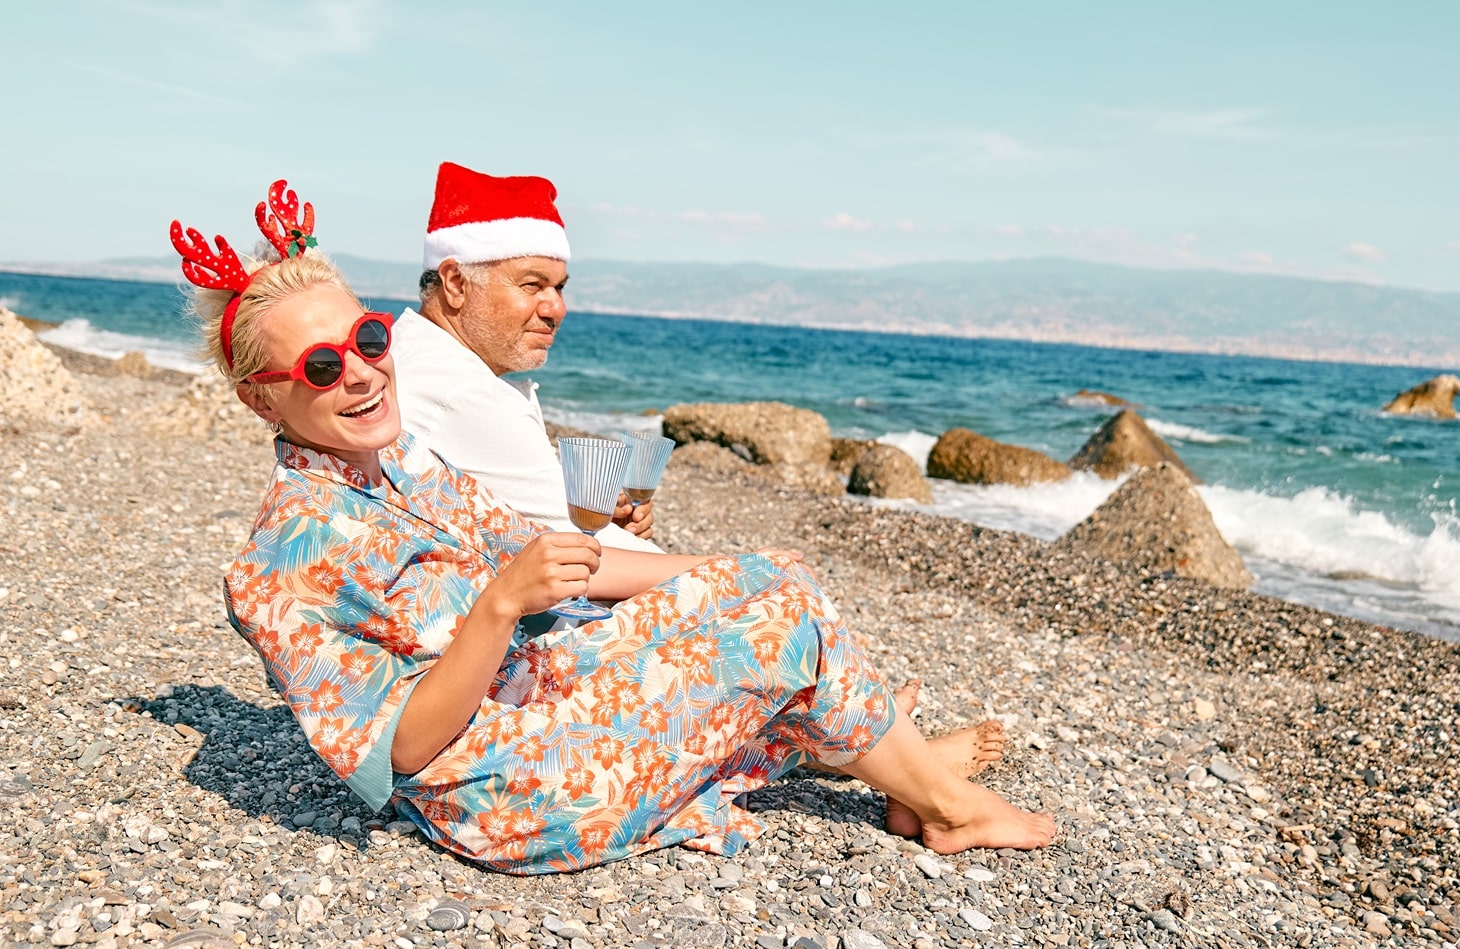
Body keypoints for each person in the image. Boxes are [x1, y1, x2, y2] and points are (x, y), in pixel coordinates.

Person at [180, 181, 1055, 874]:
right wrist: (496, 606)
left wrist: (723, 568)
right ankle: (941, 804)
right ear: (261, 396)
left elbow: (564, 565)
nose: (363, 375)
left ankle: (902, 774)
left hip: (541, 696)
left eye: (368, 340)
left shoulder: (403, 460)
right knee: (775, 626)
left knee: (763, 592)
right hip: (508, 789)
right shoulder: (277, 564)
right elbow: (402, 749)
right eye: (321, 366)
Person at [391, 162, 659, 552]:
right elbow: (587, 553)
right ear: (455, 283)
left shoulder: (412, 352)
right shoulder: (462, 392)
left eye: (559, 288)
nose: (556, 309)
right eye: (532, 285)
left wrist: (602, 522)